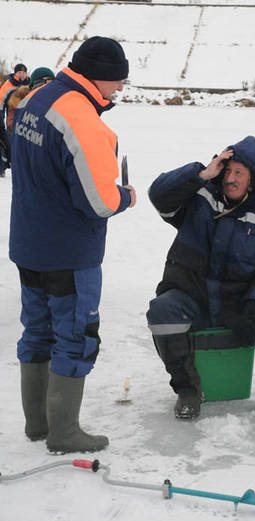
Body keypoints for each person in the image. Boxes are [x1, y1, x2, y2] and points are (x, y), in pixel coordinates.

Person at [9, 37, 136, 453]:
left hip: (30, 243)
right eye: (117, 81)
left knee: (37, 330)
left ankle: (37, 424)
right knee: (76, 335)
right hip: (68, 252)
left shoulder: (36, 98)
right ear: (100, 76)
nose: (118, 89)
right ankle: (63, 432)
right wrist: (126, 196)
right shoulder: (81, 119)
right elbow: (98, 201)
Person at [146, 136, 255, 420]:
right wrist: (202, 174)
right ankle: (188, 392)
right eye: (228, 170)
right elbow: (158, 195)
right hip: (192, 298)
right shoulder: (199, 198)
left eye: (239, 173)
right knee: (162, 312)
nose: (230, 178)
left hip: (239, 306)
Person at [6, 67, 55, 134]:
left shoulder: (54, 99)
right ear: (38, 84)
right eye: (48, 82)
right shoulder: (20, 99)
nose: (52, 86)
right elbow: (11, 124)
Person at [0, 63, 29, 175]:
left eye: (23, 72)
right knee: (12, 143)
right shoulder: (9, 85)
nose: (21, 75)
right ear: (15, 73)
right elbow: (1, 101)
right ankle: (10, 165)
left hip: (27, 117)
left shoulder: (30, 84)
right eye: (19, 72)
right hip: (12, 119)